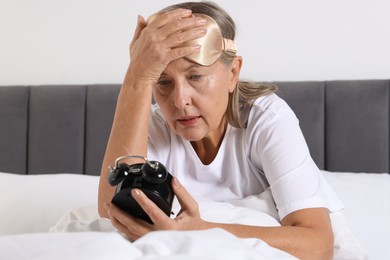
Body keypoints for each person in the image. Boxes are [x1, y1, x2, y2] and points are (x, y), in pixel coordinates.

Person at [98, 1, 343, 259]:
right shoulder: (153, 126)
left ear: (233, 72)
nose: (180, 101)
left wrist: (200, 231)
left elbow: (318, 245)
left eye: (195, 77)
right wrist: (136, 79)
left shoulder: (266, 119)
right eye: (163, 82)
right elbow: (109, 210)